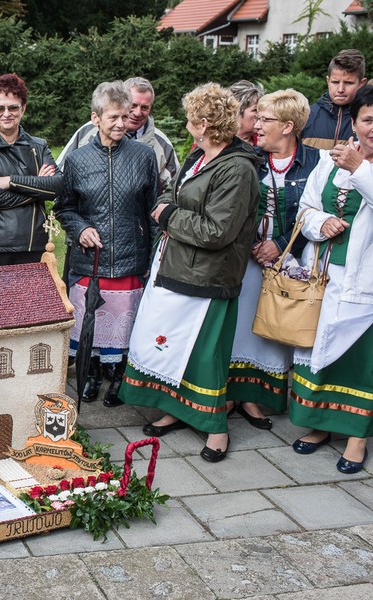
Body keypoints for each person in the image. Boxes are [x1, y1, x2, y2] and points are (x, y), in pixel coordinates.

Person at [120, 83, 261, 463]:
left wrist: (167, 216)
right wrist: (166, 205)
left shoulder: (238, 169)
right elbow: (174, 192)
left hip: (209, 277)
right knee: (174, 349)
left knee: (204, 355)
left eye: (188, 119)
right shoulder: (199, 154)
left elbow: (217, 231)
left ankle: (216, 428)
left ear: (202, 123)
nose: (185, 125)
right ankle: (177, 409)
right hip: (178, 265)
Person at [56, 81, 158, 407]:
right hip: (90, 260)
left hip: (131, 257)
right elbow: (64, 207)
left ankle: (120, 380)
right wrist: (81, 227)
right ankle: (92, 375)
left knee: (124, 323)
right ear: (95, 117)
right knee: (92, 322)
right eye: (113, 117)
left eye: (124, 117)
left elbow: (152, 209)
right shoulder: (77, 161)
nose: (120, 124)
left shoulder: (143, 156)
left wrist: (152, 257)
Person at [289, 85, 373, 474]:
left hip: (366, 284)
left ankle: (357, 437)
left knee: (359, 362)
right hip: (322, 275)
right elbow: (304, 209)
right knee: (319, 352)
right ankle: (320, 425)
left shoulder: (354, 164)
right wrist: (322, 223)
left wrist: (360, 168)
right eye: (368, 120)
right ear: (353, 122)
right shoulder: (328, 160)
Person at [227, 90, 320, 430]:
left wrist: (280, 245)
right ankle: (231, 393)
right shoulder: (248, 157)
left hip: (289, 263)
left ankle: (255, 397)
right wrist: (254, 243)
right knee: (241, 329)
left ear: (288, 126)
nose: (257, 124)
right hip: (247, 258)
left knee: (272, 331)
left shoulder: (315, 163)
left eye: (266, 119)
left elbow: (315, 214)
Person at [0, 73, 62, 267]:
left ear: (23, 108)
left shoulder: (39, 146)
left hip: (33, 244)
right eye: (0, 108)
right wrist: (36, 188)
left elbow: (57, 187)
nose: (6, 113)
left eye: (13, 107)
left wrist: (10, 181)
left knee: (29, 298)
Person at [57, 77, 179, 193]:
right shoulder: (87, 131)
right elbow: (60, 173)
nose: (137, 113)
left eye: (144, 108)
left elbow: (172, 191)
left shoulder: (162, 144)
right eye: (133, 105)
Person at [302, 49, 368, 150]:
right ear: (328, 81)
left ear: (361, 84)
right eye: (335, 82)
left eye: (348, 83)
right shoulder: (305, 115)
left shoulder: (368, 119)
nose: (340, 89)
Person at [228, 80, 264, 145]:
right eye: (255, 110)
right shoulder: (218, 143)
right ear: (236, 111)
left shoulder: (265, 144)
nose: (260, 115)